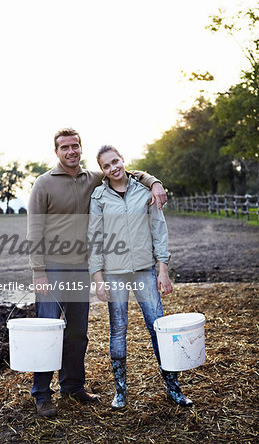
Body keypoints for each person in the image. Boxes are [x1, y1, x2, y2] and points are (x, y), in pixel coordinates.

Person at [27, 128, 168, 417]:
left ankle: (73, 387)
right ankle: (41, 393)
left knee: (78, 332)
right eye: (64, 147)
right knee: (48, 331)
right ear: (56, 152)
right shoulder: (43, 184)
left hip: (80, 268)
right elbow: (33, 231)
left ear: (81, 148)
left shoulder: (94, 178)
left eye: (75, 146)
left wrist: (154, 182)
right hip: (52, 269)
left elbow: (126, 173)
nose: (71, 151)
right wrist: (38, 271)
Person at [87, 145, 193, 409]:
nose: (113, 168)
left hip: (145, 270)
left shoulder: (145, 192)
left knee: (158, 327)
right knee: (118, 330)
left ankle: (173, 388)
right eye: (107, 166)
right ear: (103, 171)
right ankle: (120, 391)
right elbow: (94, 239)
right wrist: (98, 279)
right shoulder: (99, 197)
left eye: (116, 162)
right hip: (113, 273)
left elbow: (159, 229)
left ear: (123, 160)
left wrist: (163, 269)